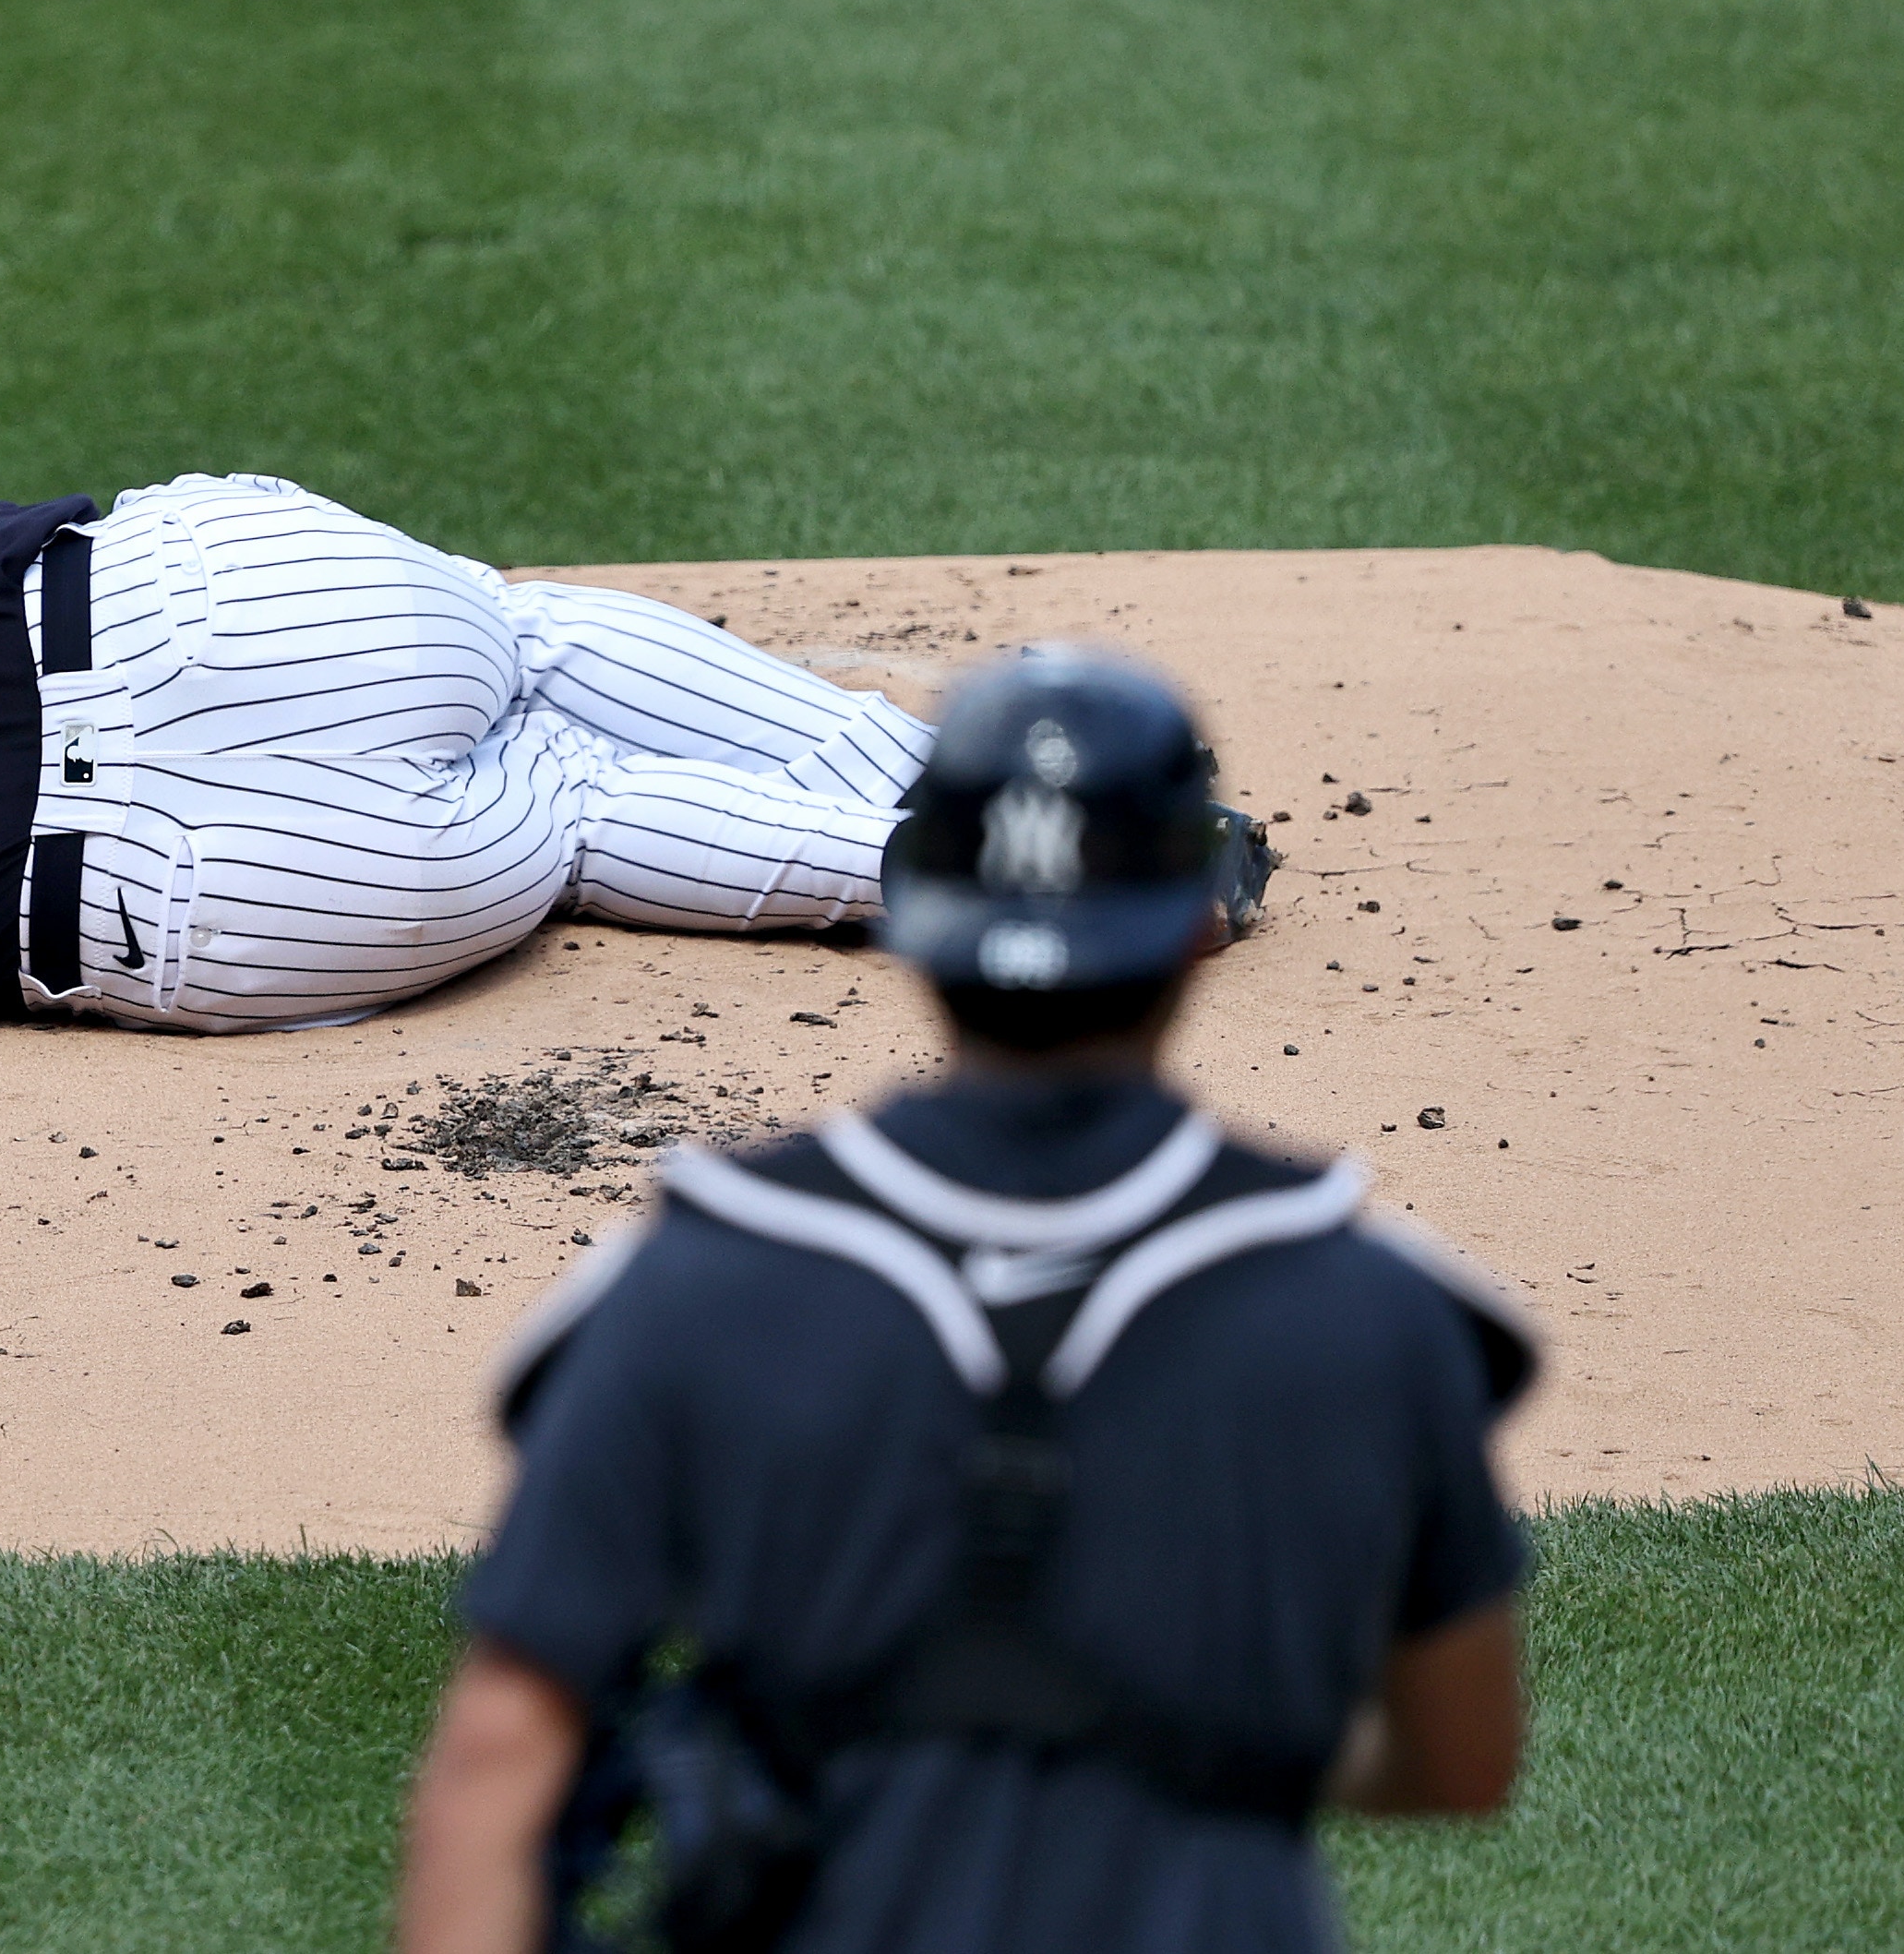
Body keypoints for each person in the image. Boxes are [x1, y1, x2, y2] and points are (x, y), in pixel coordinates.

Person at [395, 647, 1539, 1954]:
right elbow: (1465, 1757)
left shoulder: (698, 1282)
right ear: (1192, 920)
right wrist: (1206, 1722)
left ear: (917, 906)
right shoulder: (1367, 1305)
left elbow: (495, 1764)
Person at [0, 369, 931, 1034]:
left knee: (576, 810)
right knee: (522, 646)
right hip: (204, 612)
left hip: (208, 917)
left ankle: (1012, 877)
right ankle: (935, 767)